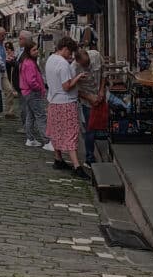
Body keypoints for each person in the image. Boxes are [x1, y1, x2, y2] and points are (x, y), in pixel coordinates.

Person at [46, 37, 88, 178]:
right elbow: (67, 86)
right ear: (64, 49)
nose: (70, 56)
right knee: (71, 132)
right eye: (69, 53)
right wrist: (78, 77)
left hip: (53, 101)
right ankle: (77, 166)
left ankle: (58, 159)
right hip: (65, 102)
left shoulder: (50, 59)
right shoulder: (63, 64)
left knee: (57, 130)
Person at [75, 47, 106, 166]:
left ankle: (102, 146)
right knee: (90, 128)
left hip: (99, 95)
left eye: (87, 63)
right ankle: (90, 157)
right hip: (87, 100)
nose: (87, 66)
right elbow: (73, 89)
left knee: (102, 122)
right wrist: (89, 97)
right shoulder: (74, 68)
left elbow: (104, 72)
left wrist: (102, 90)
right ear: (78, 62)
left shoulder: (96, 56)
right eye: (84, 64)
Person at [19, 41, 47, 148]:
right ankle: (47, 140)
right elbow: (31, 81)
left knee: (30, 115)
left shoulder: (27, 62)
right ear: (28, 51)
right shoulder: (29, 63)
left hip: (28, 92)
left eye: (36, 49)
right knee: (40, 116)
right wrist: (39, 88)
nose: (36, 52)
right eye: (34, 50)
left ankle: (30, 138)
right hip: (32, 92)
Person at [12, 30, 33, 134]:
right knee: (24, 105)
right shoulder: (23, 50)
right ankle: (26, 125)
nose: (18, 40)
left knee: (25, 106)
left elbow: (23, 67)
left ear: (25, 40)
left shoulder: (28, 52)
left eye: (20, 38)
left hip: (24, 84)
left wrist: (12, 62)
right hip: (21, 84)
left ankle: (27, 127)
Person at [0, 27, 15, 118]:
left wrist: (6, 59)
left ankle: (9, 112)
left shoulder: (2, 44)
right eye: (2, 35)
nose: (4, 37)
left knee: (9, 90)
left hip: (3, 71)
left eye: (4, 35)